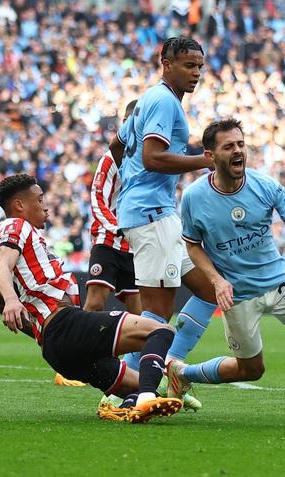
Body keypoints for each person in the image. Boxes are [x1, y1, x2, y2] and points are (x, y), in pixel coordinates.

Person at [166, 118, 285, 396]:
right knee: (251, 370)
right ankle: (182, 373)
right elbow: (192, 246)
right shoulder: (194, 197)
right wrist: (217, 281)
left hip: (279, 284)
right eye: (229, 146)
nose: (238, 151)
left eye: (241, 144)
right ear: (210, 156)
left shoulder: (264, 184)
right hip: (238, 295)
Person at [0, 173, 182, 423]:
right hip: (66, 325)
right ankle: (146, 397)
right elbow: (0, 268)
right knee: (161, 332)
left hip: (58, 349)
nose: (45, 206)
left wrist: (42, 333)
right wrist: (15, 302)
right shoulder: (15, 225)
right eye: (40, 199)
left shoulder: (27, 248)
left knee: (143, 387)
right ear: (19, 205)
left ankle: (132, 402)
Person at [115, 37, 219, 390]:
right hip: (150, 215)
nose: (196, 73)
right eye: (189, 65)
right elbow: (152, 157)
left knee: (212, 290)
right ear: (166, 63)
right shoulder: (163, 101)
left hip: (155, 213)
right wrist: (205, 162)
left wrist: (126, 186)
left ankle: (170, 365)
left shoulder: (150, 100)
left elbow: (118, 144)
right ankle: (126, 389)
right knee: (156, 316)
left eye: (200, 67)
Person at [85, 100, 141, 316]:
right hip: (108, 240)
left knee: (139, 310)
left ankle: (133, 351)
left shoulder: (147, 159)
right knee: (95, 303)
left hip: (134, 245)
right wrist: (118, 227)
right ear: (126, 122)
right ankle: (84, 349)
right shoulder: (111, 158)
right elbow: (97, 197)